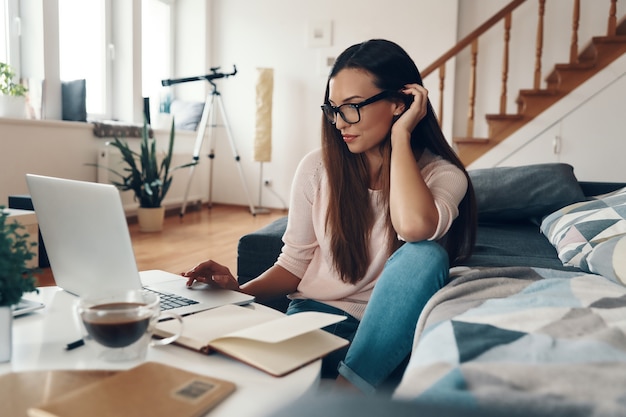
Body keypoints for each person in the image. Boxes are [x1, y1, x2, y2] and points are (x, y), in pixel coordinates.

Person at [182, 39, 476, 394]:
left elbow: (414, 228)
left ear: (399, 104)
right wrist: (238, 292)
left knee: (425, 254)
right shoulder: (317, 168)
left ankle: (345, 395)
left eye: (353, 107)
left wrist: (401, 137)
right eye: (333, 109)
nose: (339, 122)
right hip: (314, 318)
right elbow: (293, 264)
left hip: (385, 330)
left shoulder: (443, 175)